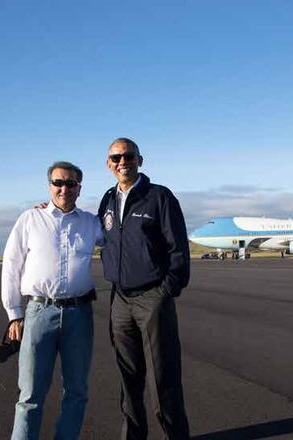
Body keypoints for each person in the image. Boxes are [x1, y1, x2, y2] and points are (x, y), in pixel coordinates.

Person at [1, 161, 103, 440]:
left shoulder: (90, 223)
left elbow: (120, 240)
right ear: (49, 186)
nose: (64, 189)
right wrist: (13, 312)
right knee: (30, 394)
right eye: (58, 183)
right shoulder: (30, 219)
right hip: (38, 312)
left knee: (77, 392)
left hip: (79, 314)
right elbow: (11, 264)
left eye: (71, 184)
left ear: (79, 189)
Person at [98, 137, 191, 440]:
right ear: (108, 164)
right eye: (116, 158)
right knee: (128, 379)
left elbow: (178, 249)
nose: (122, 161)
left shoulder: (159, 197)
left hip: (153, 297)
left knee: (163, 378)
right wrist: (52, 211)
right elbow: (94, 234)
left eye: (128, 156)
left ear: (140, 160)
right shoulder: (108, 200)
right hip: (120, 300)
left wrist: (166, 290)